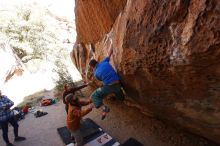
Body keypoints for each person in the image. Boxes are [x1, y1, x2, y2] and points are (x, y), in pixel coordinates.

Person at [88, 39, 125, 120]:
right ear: (97, 62)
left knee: (95, 95)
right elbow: (109, 53)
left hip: (110, 86)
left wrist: (95, 71)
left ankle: (104, 108)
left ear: (92, 67)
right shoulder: (104, 62)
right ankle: (121, 98)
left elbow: (100, 79)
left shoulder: (96, 73)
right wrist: (112, 42)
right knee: (116, 90)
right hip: (118, 83)